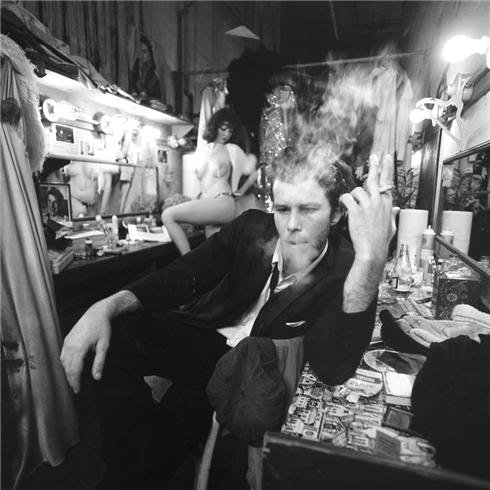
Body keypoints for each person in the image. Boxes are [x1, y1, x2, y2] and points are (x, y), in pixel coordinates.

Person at [60, 149, 395, 489]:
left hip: (249, 368)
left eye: (308, 209)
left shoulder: (347, 266)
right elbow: (183, 275)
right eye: (282, 209)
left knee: (180, 426)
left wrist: (370, 261)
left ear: (336, 213)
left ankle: (133, 472)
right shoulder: (251, 228)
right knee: (112, 336)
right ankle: (131, 465)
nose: (292, 225)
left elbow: (333, 368)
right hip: (206, 336)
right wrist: (105, 306)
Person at [161, 107, 258, 255]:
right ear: (215, 127)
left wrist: (240, 191)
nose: (226, 134)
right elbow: (201, 178)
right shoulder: (203, 150)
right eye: (223, 129)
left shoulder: (232, 149)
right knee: (217, 258)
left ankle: (189, 263)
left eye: (230, 131)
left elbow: (255, 173)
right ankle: (195, 265)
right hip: (209, 205)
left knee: (168, 215)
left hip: (223, 201)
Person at [130, 33, 161, 102]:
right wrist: (134, 91)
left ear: (150, 53)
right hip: (137, 100)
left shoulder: (155, 68)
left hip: (151, 101)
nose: (141, 55)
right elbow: (133, 83)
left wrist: (144, 93)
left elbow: (152, 88)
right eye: (140, 51)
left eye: (145, 52)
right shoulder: (137, 63)